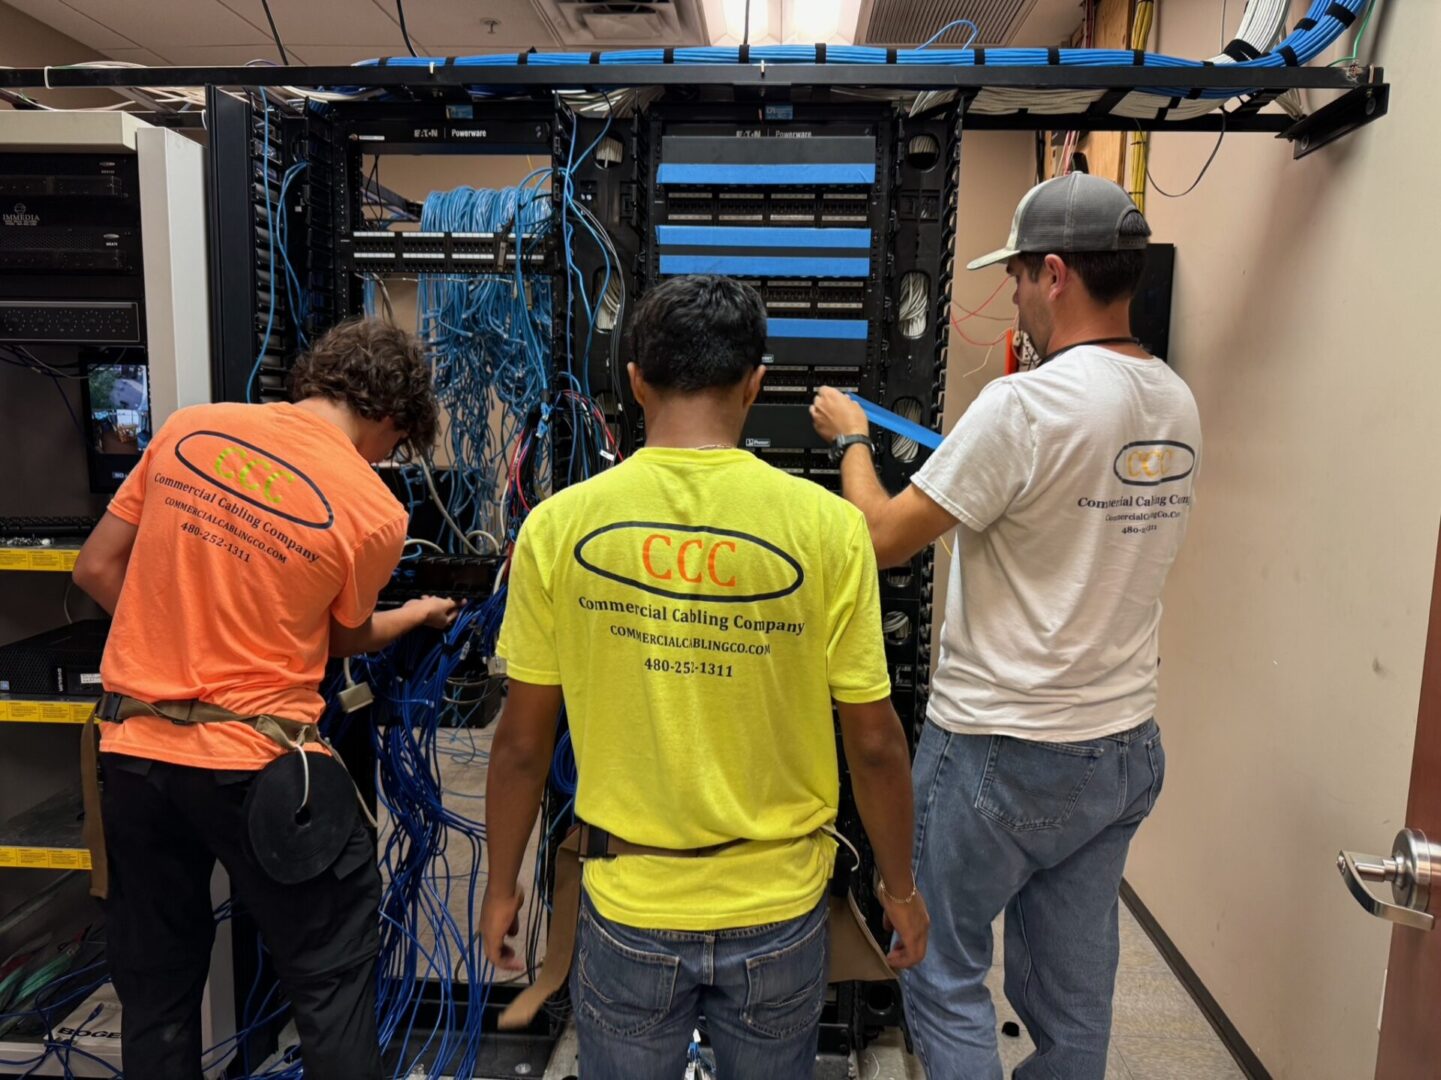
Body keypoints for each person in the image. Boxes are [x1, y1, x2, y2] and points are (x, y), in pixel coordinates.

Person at [480, 274, 928, 1080]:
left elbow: (519, 742)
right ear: (755, 383)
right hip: (780, 907)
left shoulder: (557, 527)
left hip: (627, 905)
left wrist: (501, 886)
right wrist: (898, 889)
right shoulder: (829, 529)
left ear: (635, 381)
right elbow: (874, 743)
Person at [811, 173, 1201, 1080]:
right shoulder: (1172, 400)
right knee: (1071, 1005)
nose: (1015, 297)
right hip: (1119, 745)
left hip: (1002, 744)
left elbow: (880, 541)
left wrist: (849, 439)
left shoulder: (1023, 405)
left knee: (942, 971)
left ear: (1055, 273)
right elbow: (1066, 505)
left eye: (1019, 276)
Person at [72, 318, 459, 1080]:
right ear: (391, 416)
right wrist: (415, 616)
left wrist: (174, 634)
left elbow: (94, 569)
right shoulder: (373, 509)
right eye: (394, 445)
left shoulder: (190, 430)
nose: (385, 459)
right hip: (260, 763)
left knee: (155, 990)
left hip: (134, 754)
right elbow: (341, 639)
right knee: (331, 982)